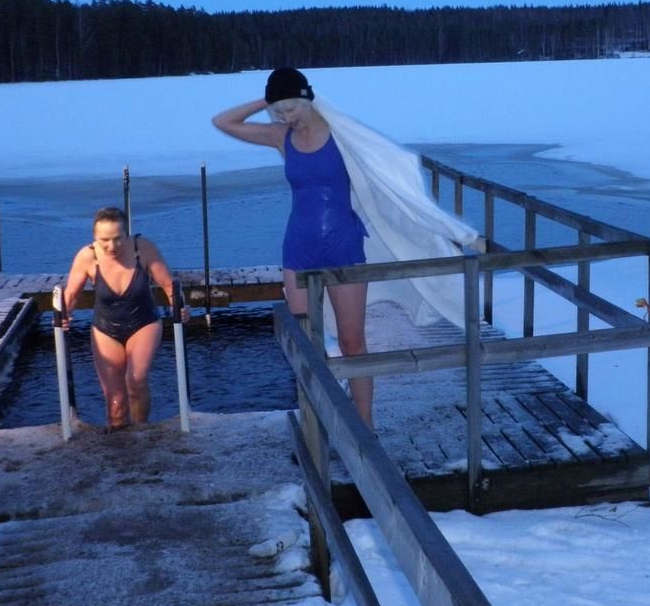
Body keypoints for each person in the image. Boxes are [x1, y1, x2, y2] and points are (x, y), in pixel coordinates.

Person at [211, 67, 480, 430]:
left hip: (344, 246)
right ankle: (318, 419)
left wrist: (451, 231)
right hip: (299, 248)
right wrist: (270, 97)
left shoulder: (342, 135)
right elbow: (222, 121)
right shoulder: (281, 138)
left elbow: (394, 180)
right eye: (278, 112)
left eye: (291, 109)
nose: (286, 118)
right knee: (307, 344)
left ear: (308, 99)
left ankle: (364, 427)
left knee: (353, 342)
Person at [62, 206, 189, 429]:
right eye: (104, 240)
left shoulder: (143, 249)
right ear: (94, 238)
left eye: (117, 239)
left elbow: (169, 285)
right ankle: (120, 443)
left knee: (136, 380)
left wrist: (181, 307)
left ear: (126, 234)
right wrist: (63, 315)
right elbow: (70, 296)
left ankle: (141, 432)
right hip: (105, 329)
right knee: (116, 398)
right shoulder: (87, 257)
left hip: (144, 323)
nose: (112, 246)